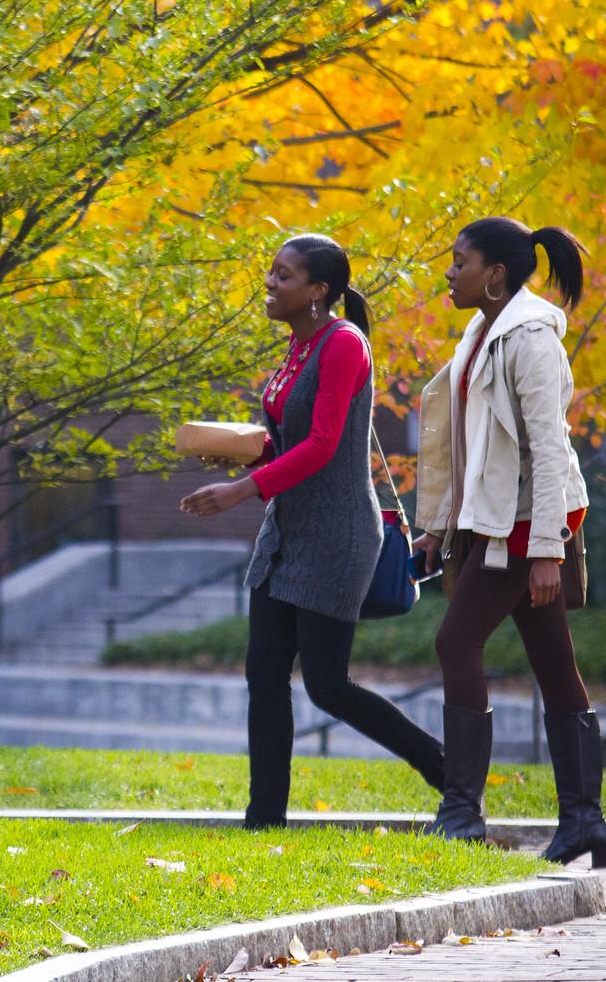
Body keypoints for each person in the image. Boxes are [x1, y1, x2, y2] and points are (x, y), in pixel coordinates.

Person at [181, 234, 445, 829]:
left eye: (284, 275)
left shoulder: (343, 345)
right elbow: (289, 445)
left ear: (319, 290)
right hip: (285, 534)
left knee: (328, 685)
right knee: (264, 675)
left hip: (336, 536)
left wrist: (241, 491)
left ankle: (447, 772)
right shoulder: (296, 350)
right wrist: (242, 457)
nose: (270, 284)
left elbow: (325, 446)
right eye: (270, 272)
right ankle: (263, 819)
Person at [410, 217, 606, 868]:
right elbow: (462, 445)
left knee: (455, 640)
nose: (449, 271)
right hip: (498, 518)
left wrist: (548, 547)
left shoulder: (531, 339)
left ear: (494, 274)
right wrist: (438, 524)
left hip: (527, 525)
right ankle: (584, 820)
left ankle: (462, 811)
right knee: (553, 662)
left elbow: (550, 448)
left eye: (458, 260)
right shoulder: (481, 330)